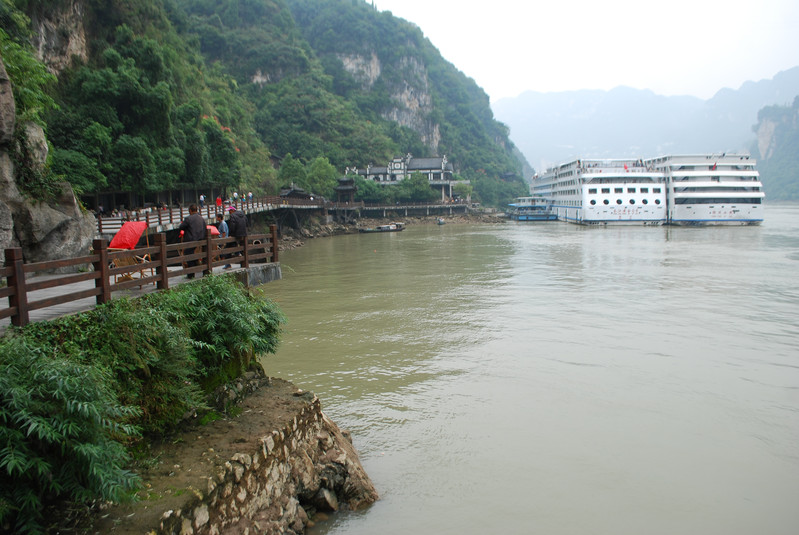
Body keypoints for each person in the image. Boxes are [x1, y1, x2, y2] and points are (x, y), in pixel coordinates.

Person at [178, 204, 205, 279]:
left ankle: (191, 274)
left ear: (190, 210)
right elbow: (204, 228)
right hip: (200, 239)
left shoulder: (188, 219)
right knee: (196, 255)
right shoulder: (201, 218)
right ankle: (202, 269)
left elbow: (181, 227)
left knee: (188, 255)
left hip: (191, 240)